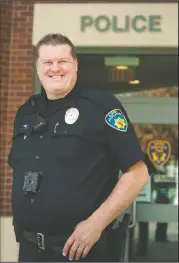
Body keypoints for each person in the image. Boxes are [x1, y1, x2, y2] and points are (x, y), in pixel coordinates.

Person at [8, 33, 149, 262]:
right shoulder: (26, 112)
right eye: (48, 62)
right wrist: (23, 237)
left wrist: (96, 224)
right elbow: (21, 175)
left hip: (82, 250)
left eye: (62, 61)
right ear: (38, 68)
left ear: (75, 64)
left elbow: (138, 173)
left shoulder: (101, 106)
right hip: (31, 248)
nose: (55, 68)